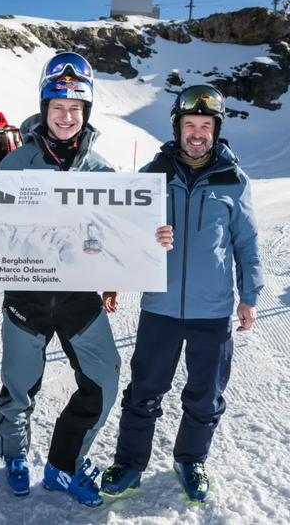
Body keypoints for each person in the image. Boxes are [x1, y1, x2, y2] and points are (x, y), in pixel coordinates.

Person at [0, 52, 173, 506]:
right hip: (26, 299)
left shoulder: (100, 170)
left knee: (105, 379)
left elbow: (116, 231)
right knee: (18, 386)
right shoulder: (16, 164)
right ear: (44, 108)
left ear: (85, 112)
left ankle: (63, 466)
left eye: (75, 109)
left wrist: (151, 239)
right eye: (57, 108)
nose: (66, 117)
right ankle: (14, 454)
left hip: (77, 299)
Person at [100, 85, 264, 505]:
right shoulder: (154, 175)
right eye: (189, 124)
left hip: (213, 311)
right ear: (177, 127)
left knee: (205, 395)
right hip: (160, 307)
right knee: (144, 391)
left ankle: (190, 459)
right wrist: (116, 274)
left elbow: (245, 243)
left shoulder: (233, 180)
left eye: (204, 126)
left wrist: (250, 295)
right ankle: (130, 463)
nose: (196, 133)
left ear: (215, 130)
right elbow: (126, 232)